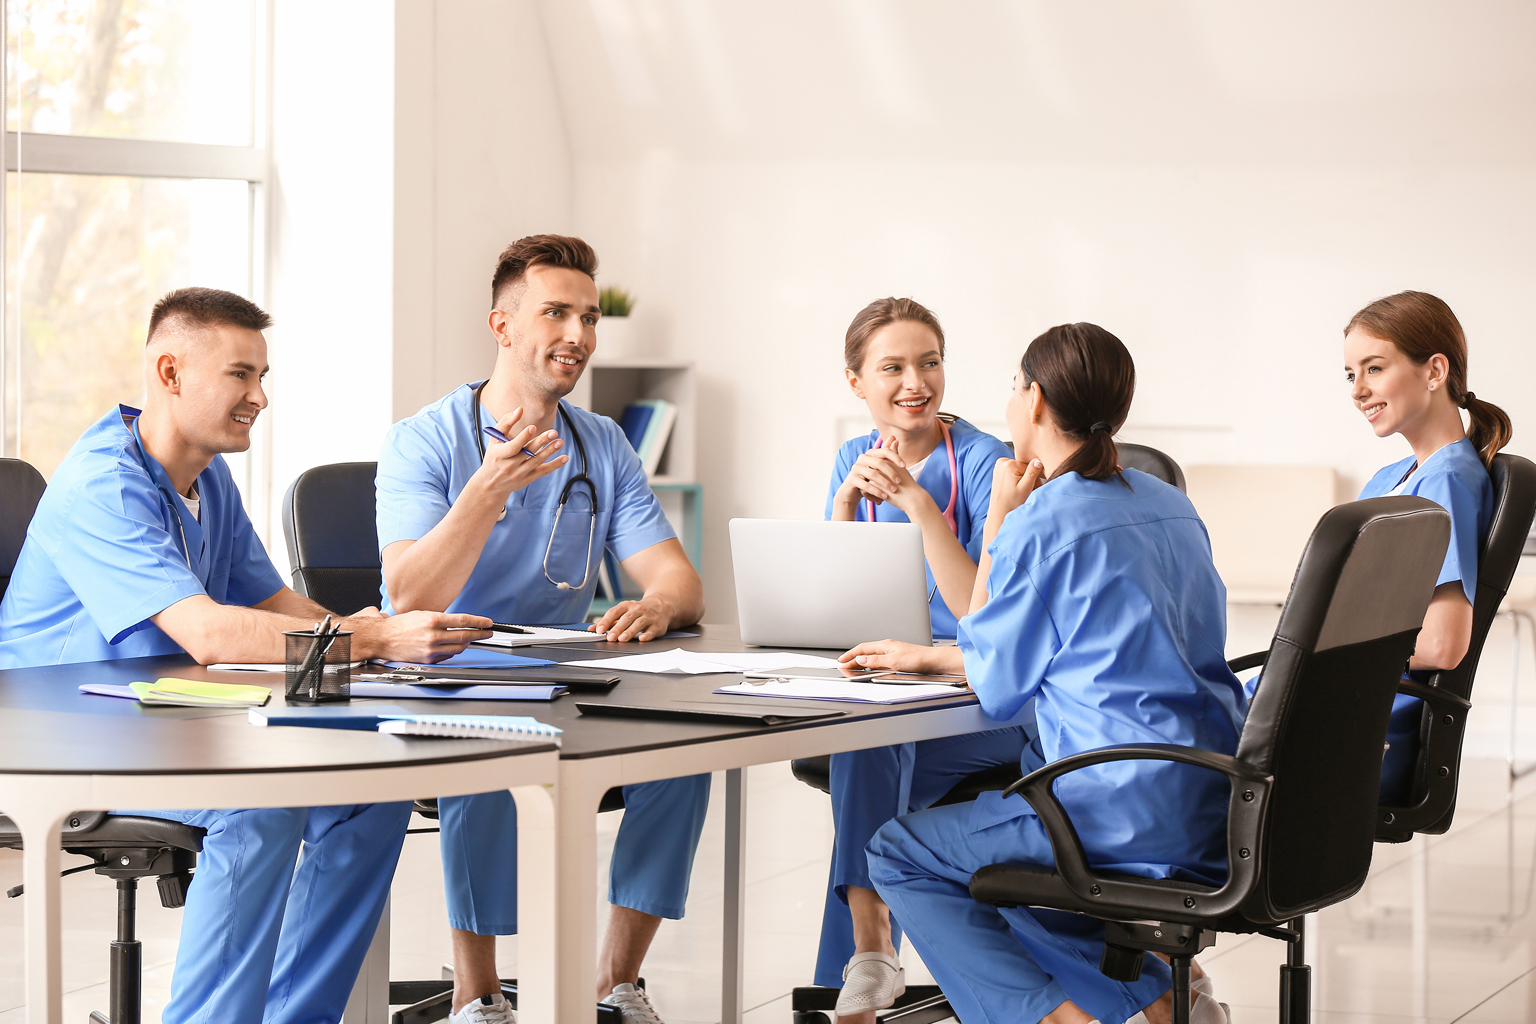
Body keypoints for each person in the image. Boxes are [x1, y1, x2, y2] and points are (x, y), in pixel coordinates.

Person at [0, 287, 493, 1024]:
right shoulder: (104, 483)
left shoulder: (206, 478)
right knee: (257, 801)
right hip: (58, 731)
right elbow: (210, 634)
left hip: (160, 718)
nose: (260, 396)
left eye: (263, 377)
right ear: (170, 373)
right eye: (241, 375)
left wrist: (369, 644)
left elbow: (268, 602)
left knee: (370, 790)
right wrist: (378, 637)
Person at [841, 323, 1244, 1024]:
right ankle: (1157, 1003)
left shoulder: (1042, 521)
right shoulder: (1170, 502)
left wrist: (1001, 518)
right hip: (1213, 796)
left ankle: (1052, 1018)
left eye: (1013, 388)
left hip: (1112, 807)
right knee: (1013, 865)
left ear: (1033, 400)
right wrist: (944, 654)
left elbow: (998, 690)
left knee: (901, 852)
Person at [376, 234, 708, 1024]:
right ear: (502, 325)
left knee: (687, 751)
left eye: (589, 318)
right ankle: (478, 992)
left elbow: (678, 580)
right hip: (451, 670)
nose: (579, 336)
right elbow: (409, 591)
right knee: (488, 743)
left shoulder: (604, 444)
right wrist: (487, 489)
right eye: (556, 313)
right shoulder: (425, 440)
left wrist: (657, 605)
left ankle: (616, 983)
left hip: (567, 671)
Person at [816, 297, 1031, 1020]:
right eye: (894, 367)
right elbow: (834, 601)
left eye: (929, 362)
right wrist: (845, 506)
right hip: (901, 693)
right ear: (856, 383)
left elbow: (980, 612)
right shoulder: (855, 457)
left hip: (988, 701)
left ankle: (864, 962)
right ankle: (864, 966)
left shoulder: (981, 462)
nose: (916, 381)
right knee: (868, 748)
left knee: (871, 758)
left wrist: (914, 503)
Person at [1339, 291, 1511, 803]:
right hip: (1334, 697)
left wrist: (1320, 655)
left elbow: (1442, 644)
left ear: (1434, 371)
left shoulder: (1448, 483)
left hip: (1358, 722)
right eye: (1351, 375)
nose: (1357, 390)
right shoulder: (1394, 478)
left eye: (1373, 368)